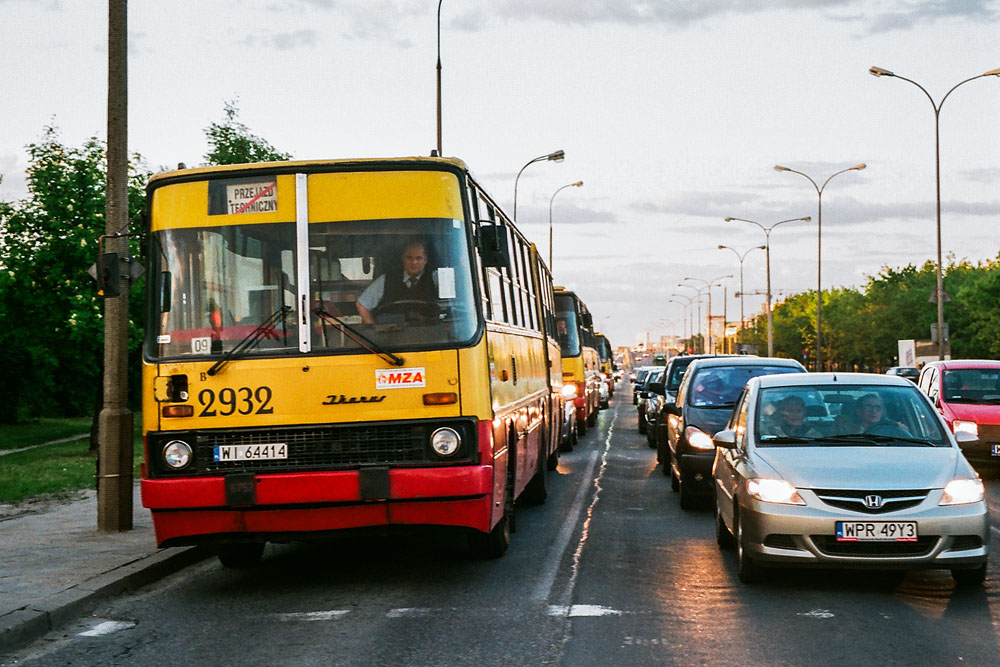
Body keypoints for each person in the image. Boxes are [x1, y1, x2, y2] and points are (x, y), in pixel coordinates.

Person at [356, 238, 437, 324]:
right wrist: (373, 331)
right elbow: (362, 305)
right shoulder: (386, 280)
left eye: (419, 258)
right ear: (403, 259)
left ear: (425, 260)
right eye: (409, 258)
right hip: (392, 334)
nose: (414, 262)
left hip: (429, 334)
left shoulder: (436, 278)